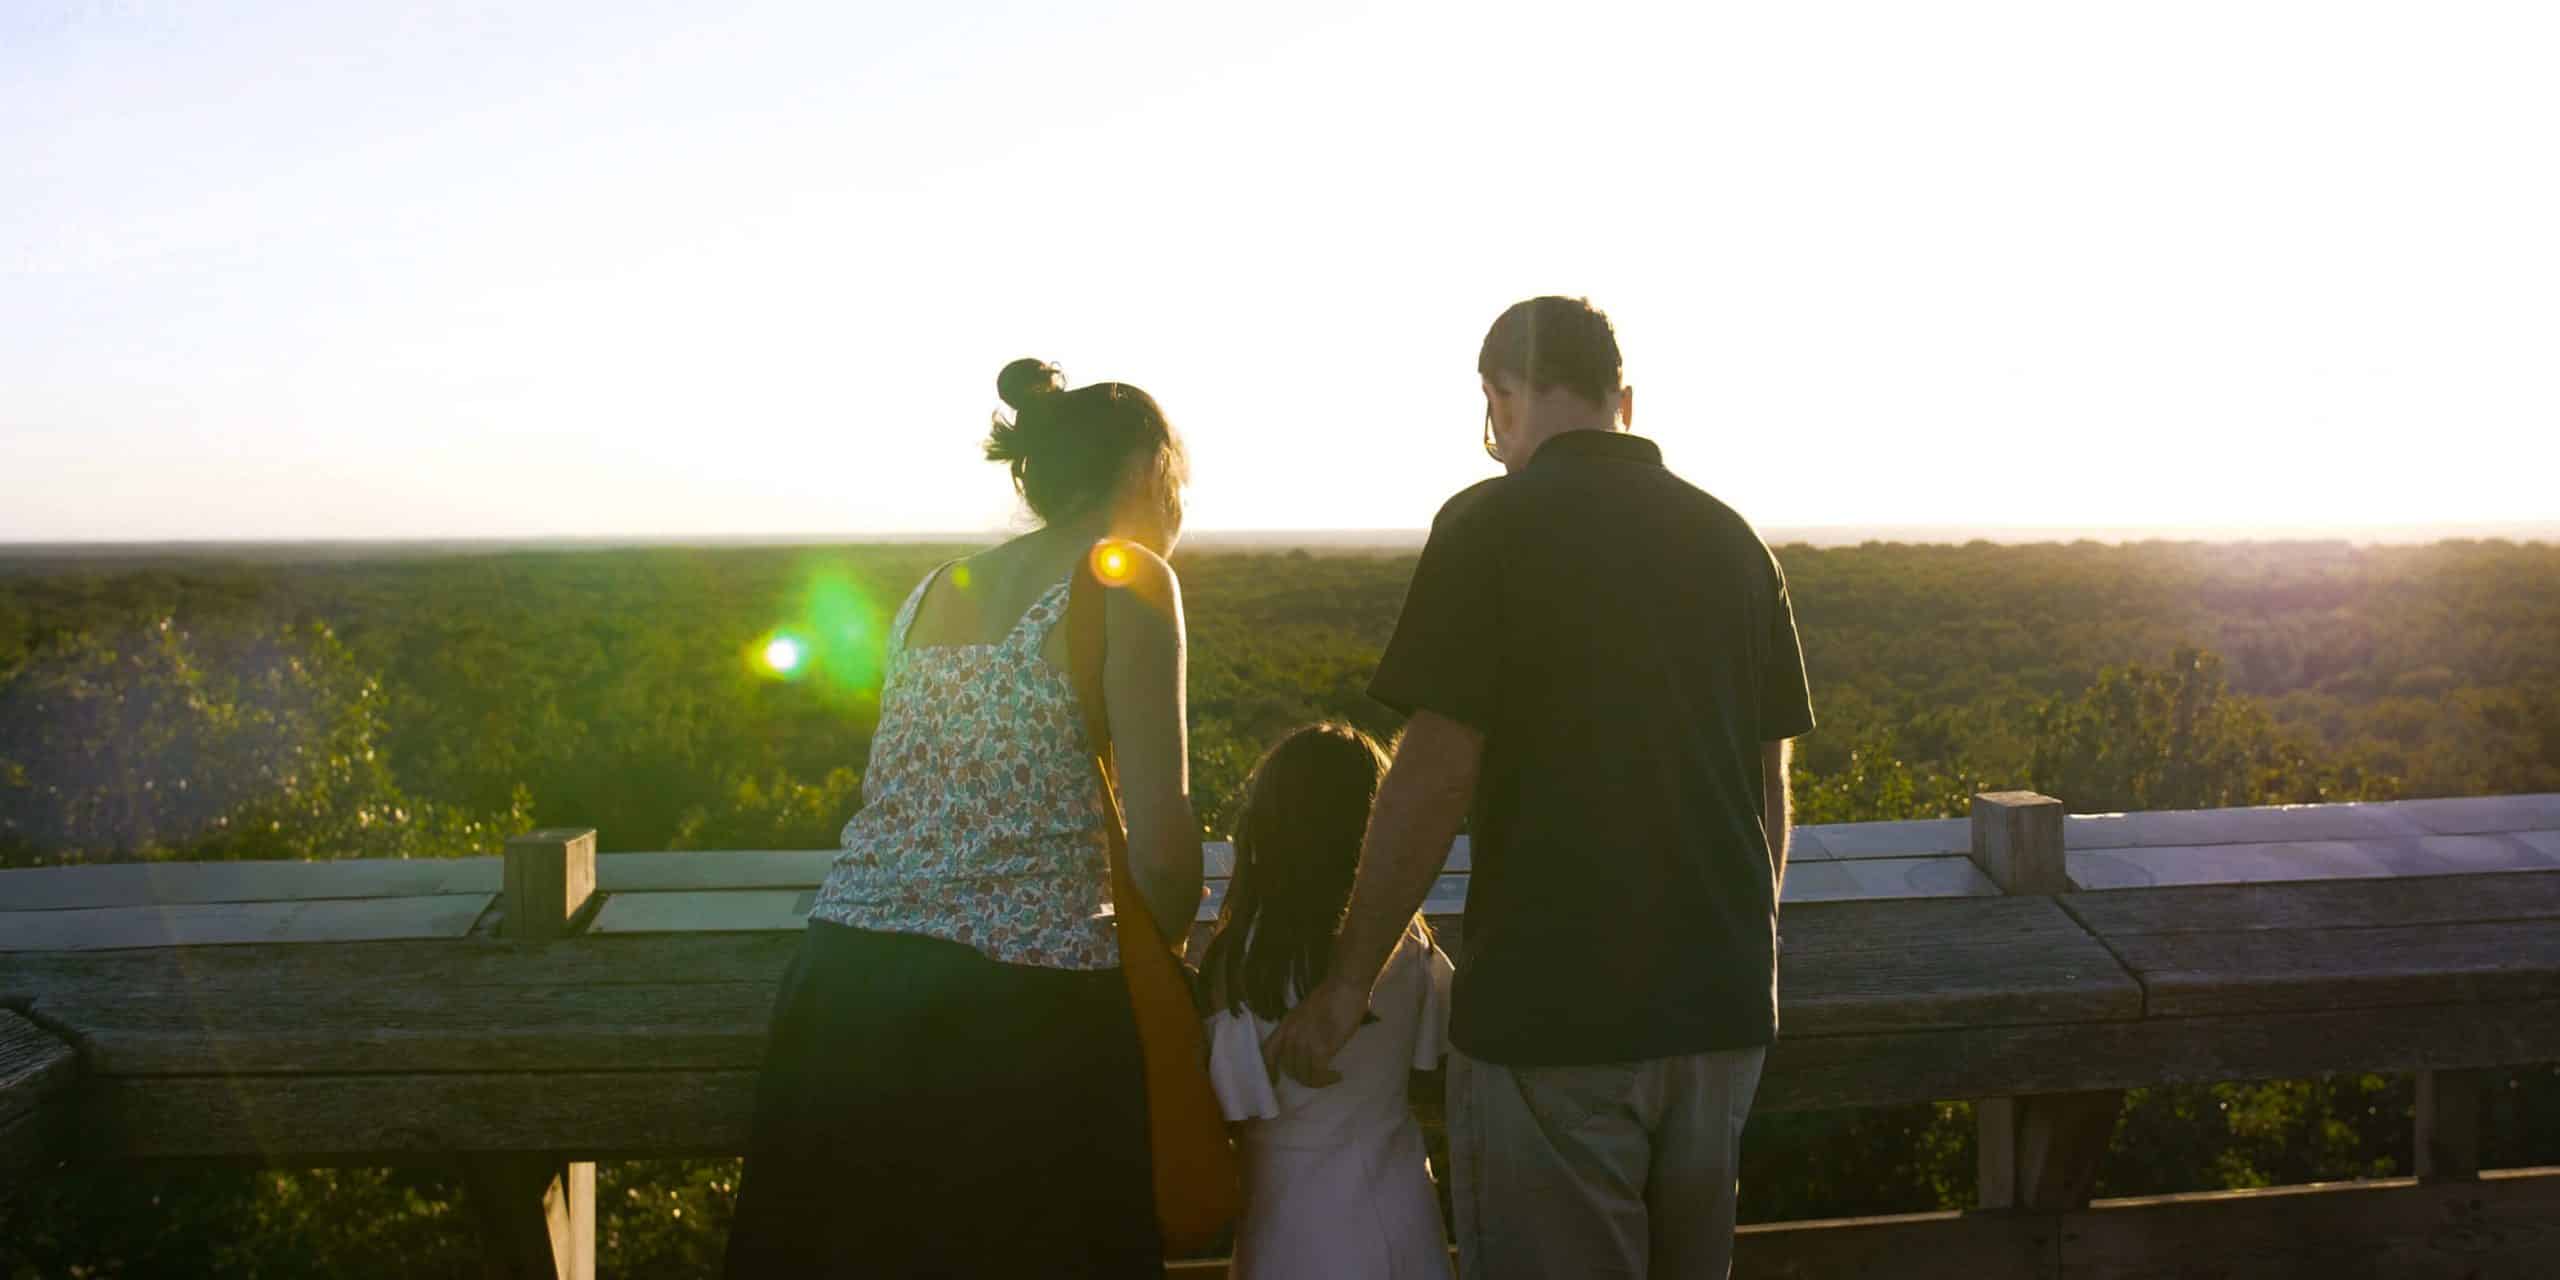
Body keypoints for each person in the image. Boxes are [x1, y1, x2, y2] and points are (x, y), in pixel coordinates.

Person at [1264, 297, 1815, 1278]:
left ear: (1499, 399)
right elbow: (1765, 782)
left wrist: (1349, 981)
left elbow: (1435, 765)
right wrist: (1741, 946)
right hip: (1722, 1013)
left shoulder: (1489, 524)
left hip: (1555, 1013)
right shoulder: (1736, 543)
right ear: (1624, 402)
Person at [725, 357, 1200, 1277]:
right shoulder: (1126, 576)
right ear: (1147, 468)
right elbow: (1169, 859)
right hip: (1015, 1019)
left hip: (841, 992)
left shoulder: (936, 589)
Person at [1199, 723, 1455, 1279]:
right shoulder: (1407, 945)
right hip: (1401, 1206)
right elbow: (1435, 1062)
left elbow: (1226, 1107)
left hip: (1289, 1223)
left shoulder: (1244, 959)